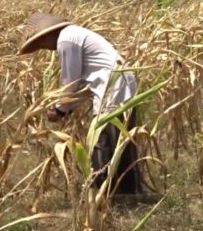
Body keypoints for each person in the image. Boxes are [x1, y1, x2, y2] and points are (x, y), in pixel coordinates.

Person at [19, 12, 142, 194]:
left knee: (102, 140)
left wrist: (59, 110)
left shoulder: (66, 40)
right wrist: (67, 109)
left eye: (40, 43)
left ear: (46, 35)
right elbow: (84, 86)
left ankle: (101, 192)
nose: (43, 48)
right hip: (120, 83)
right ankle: (126, 191)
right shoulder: (74, 34)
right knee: (121, 140)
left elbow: (71, 81)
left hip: (113, 87)